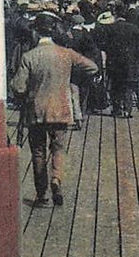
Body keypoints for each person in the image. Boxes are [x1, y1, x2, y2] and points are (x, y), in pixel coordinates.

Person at [10, 17, 97, 207]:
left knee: (38, 152)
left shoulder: (29, 56)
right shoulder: (66, 54)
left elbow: (18, 87)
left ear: (36, 33)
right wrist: (70, 78)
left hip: (37, 111)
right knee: (58, 149)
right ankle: (56, 179)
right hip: (61, 109)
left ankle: (43, 196)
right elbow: (92, 67)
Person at [92, 12, 139, 119]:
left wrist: (109, 51)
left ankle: (116, 109)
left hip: (114, 61)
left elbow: (101, 43)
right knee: (128, 86)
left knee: (115, 85)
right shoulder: (133, 28)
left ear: (116, 16)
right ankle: (127, 109)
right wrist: (137, 57)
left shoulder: (110, 28)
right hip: (130, 62)